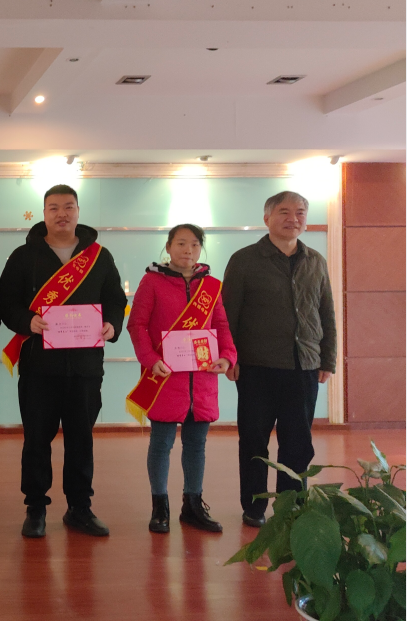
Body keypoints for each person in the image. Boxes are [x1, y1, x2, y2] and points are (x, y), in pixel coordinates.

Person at [0, 184, 126, 538]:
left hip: (85, 367)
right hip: (39, 367)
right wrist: (26, 321)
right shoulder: (24, 256)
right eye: (53, 207)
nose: (61, 214)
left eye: (68, 206)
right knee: (36, 440)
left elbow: (116, 300)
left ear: (78, 211)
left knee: (81, 439)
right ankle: (35, 507)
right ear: (44, 214)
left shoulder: (99, 257)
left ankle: (79, 507)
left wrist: (112, 324)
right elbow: (6, 302)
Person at [223, 191, 336, 528]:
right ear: (267, 218)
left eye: (300, 212)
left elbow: (326, 313)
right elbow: (228, 314)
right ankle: (254, 506)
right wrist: (230, 356)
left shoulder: (315, 260)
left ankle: (291, 506)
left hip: (304, 365)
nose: (293, 218)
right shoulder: (244, 260)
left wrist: (328, 359)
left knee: (298, 443)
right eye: (284, 211)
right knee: (254, 441)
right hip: (256, 367)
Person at [126, 224, 237, 534]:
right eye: (181, 243)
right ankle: (159, 506)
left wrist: (227, 356)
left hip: (202, 378)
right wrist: (151, 360)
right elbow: (137, 325)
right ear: (168, 247)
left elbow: (222, 326)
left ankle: (193, 505)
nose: (188, 250)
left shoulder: (211, 286)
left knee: (196, 445)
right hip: (164, 377)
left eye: (194, 244)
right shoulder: (152, 282)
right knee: (161, 444)